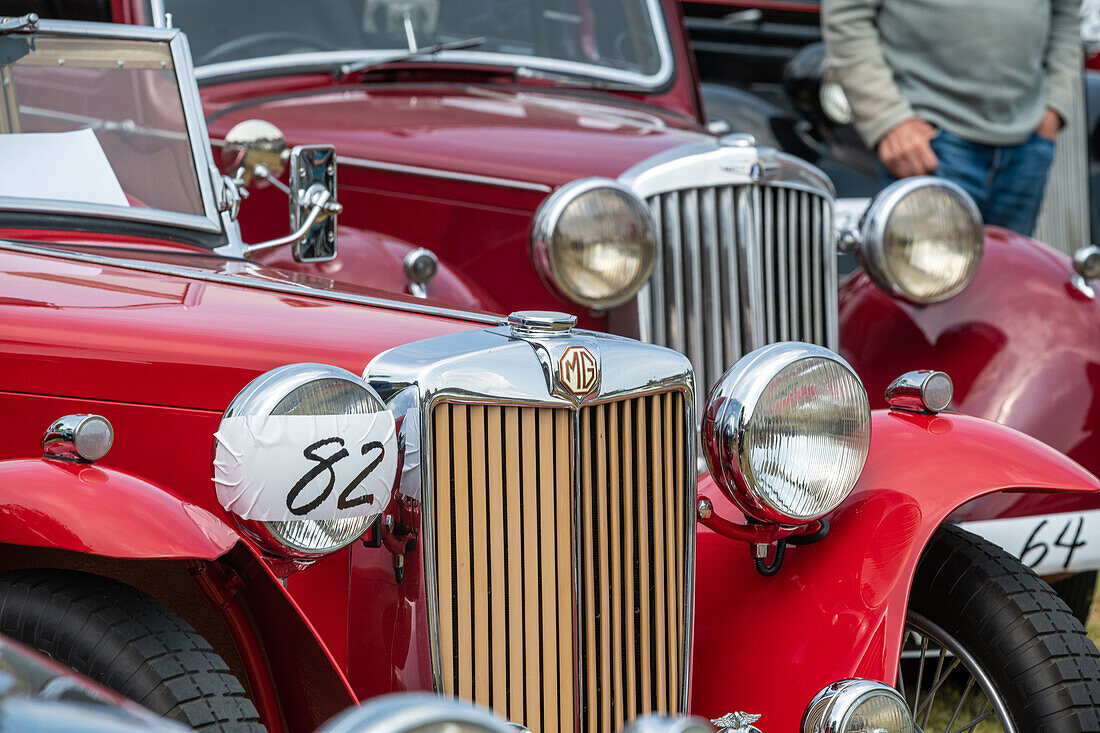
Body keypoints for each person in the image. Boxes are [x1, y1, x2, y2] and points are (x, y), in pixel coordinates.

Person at [822, 0, 1082, 236]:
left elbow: (1066, 16)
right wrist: (889, 120)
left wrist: (1054, 107)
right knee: (929, 280)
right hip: (929, 144)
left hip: (1027, 145)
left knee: (1006, 282)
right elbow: (848, 16)